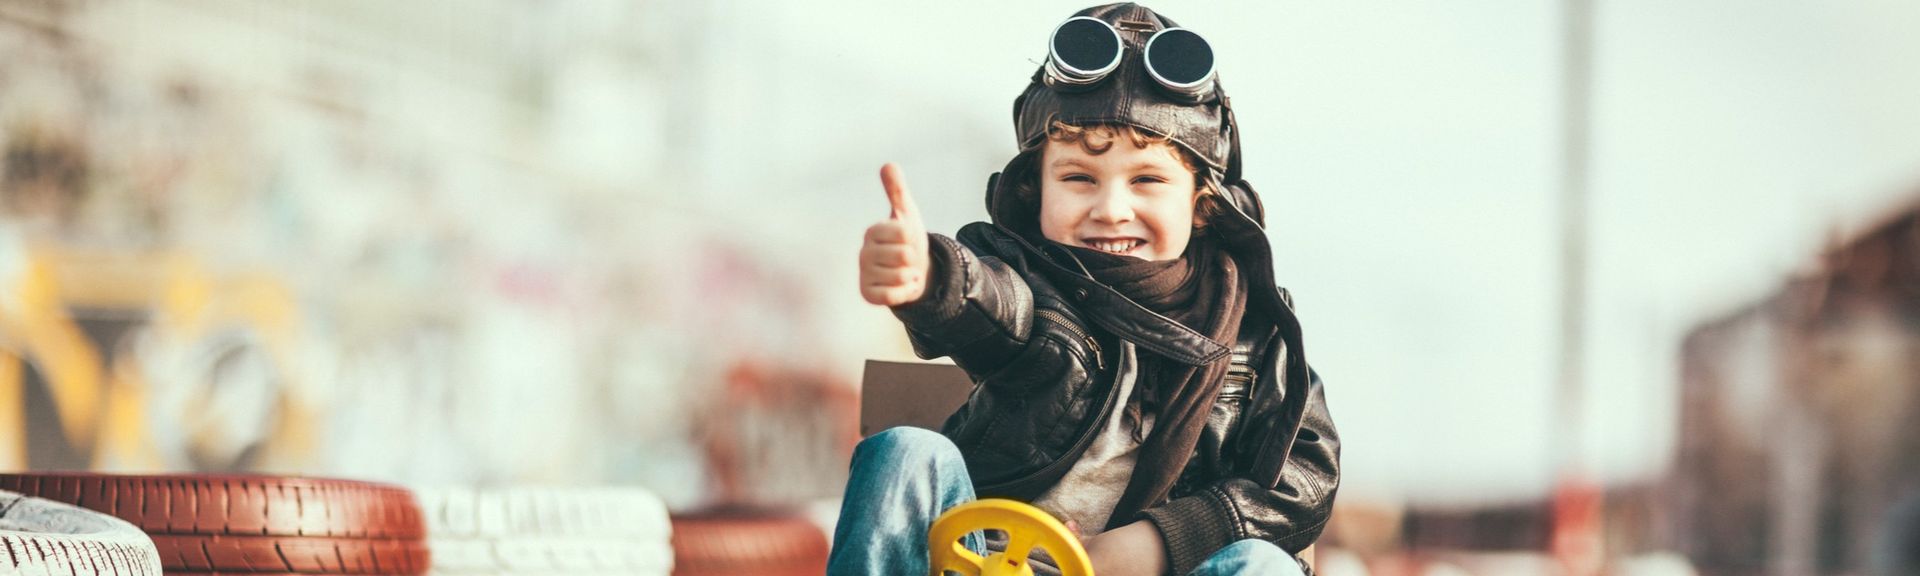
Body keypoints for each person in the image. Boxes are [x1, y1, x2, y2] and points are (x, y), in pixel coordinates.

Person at [836, 4, 1339, 575]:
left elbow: (1303, 480)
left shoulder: (1256, 331)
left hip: (1161, 570)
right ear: (1035, 193)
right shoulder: (1028, 279)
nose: (1111, 209)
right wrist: (932, 278)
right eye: (1078, 178)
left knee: (1261, 565)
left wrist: (1158, 541)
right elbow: (993, 307)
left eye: (1147, 180)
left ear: (1202, 205)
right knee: (907, 451)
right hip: (996, 560)